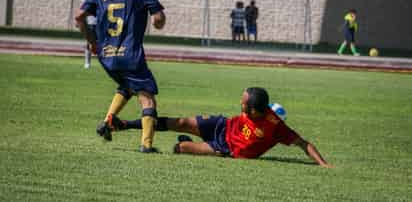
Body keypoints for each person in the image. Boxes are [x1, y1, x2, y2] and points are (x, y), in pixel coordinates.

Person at [75, 0, 166, 153]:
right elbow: (158, 17)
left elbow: (79, 16)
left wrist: (92, 41)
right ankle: (147, 145)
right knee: (147, 97)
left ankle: (108, 122)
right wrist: (158, 21)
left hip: (107, 56)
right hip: (130, 55)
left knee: (127, 85)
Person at [107, 87, 333, 168]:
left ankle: (185, 143)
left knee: (180, 149)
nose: (240, 102)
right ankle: (124, 125)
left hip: (224, 148)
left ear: (253, 110)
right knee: (181, 121)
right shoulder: (247, 113)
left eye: (243, 102)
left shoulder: (276, 127)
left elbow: (304, 143)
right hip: (221, 125)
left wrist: (323, 164)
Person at [80, 0, 104, 69]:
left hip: (102, 23)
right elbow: (82, 7)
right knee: (89, 42)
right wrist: (81, 19)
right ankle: (87, 63)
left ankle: (104, 63)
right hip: (91, 22)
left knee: (103, 43)